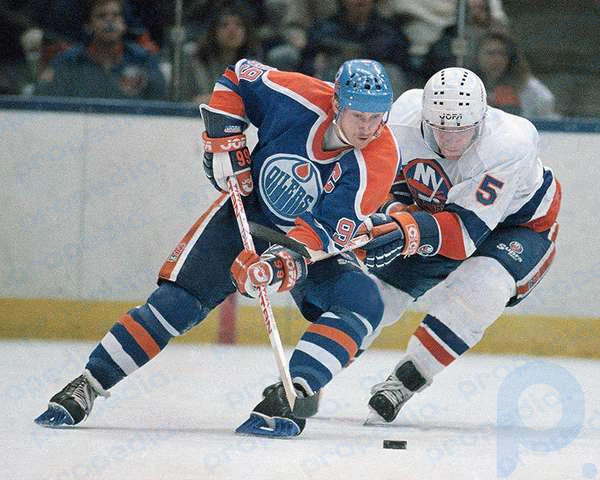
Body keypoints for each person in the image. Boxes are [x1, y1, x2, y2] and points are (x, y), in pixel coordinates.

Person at [35, 58, 400, 437]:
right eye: (360, 116)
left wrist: (278, 264)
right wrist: (225, 137)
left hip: (308, 243)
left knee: (364, 302)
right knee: (175, 304)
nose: (369, 128)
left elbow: (322, 231)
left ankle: (292, 395)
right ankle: (89, 383)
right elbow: (238, 75)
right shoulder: (300, 97)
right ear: (337, 103)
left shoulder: (380, 157)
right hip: (249, 213)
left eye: (378, 118)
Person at [354, 67, 561, 423]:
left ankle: (407, 379)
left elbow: (463, 234)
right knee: (375, 296)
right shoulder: (403, 116)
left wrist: (402, 225)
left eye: (461, 130)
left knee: (481, 290)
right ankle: (314, 373)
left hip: (517, 225)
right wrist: (388, 210)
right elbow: (380, 181)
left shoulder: (512, 141)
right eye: (441, 129)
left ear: (482, 118)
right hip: (439, 212)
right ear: (424, 118)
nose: (450, 142)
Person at [34, 0, 166, 100]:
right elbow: (43, 102)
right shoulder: (68, 61)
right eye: (101, 16)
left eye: (116, 15)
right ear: (88, 25)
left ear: (124, 24)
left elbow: (161, 105)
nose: (110, 22)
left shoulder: (143, 60)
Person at [179, 3, 262, 104]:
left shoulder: (253, 64)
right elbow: (181, 100)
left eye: (239, 25)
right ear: (213, 31)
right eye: (224, 25)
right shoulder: (193, 57)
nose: (232, 30)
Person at [472, 31, 559, 119]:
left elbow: (546, 101)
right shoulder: (469, 84)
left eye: (502, 54)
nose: (497, 59)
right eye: (491, 53)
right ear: (477, 56)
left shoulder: (526, 85)